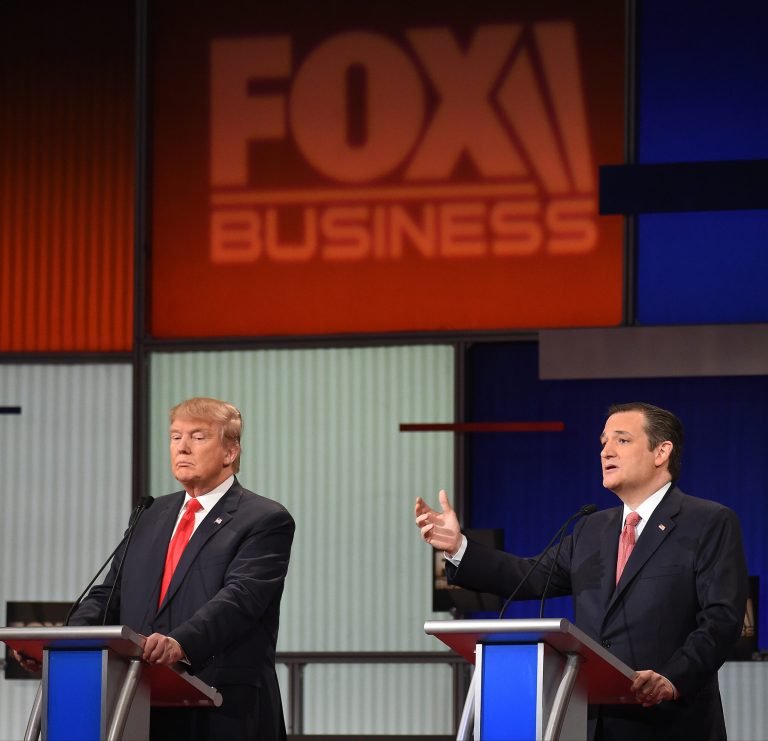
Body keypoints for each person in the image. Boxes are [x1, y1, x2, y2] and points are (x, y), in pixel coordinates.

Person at [415, 402, 748, 741]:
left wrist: (672, 678)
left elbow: (721, 620)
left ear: (661, 451)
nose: (605, 451)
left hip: (670, 724)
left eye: (622, 440)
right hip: (589, 724)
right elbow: (526, 576)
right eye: (603, 442)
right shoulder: (591, 528)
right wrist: (458, 547)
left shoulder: (708, 522)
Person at [67, 397, 295, 740]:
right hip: (140, 703)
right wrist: (65, 642)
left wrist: (180, 642)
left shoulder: (264, 519)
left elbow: (241, 598)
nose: (183, 448)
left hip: (222, 706)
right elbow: (108, 594)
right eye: (176, 437)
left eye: (198, 437)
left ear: (230, 452)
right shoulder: (150, 513)